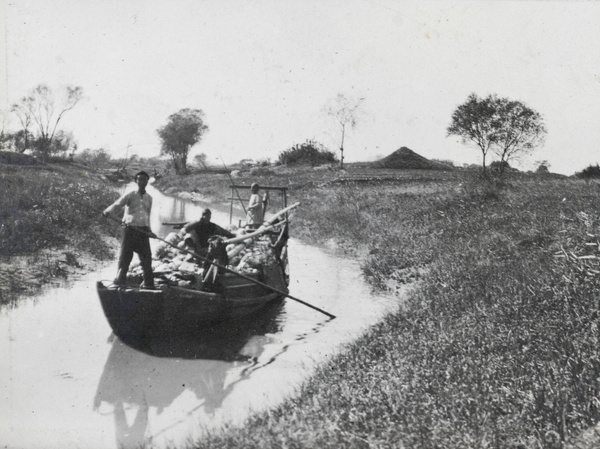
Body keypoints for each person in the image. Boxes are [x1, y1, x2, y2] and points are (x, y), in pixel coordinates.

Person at [103, 171, 156, 289]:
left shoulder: (149, 198)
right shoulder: (131, 194)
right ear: (136, 181)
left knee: (146, 258)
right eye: (139, 179)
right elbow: (118, 204)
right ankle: (120, 283)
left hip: (143, 231)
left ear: (147, 181)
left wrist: (150, 231)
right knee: (125, 257)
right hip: (130, 230)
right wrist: (108, 211)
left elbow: (148, 216)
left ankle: (149, 285)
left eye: (144, 179)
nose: (142, 181)